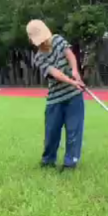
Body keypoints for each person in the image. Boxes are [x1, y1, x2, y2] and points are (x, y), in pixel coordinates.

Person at [26, 19, 86, 171]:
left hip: (74, 97)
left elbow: (70, 55)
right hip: (55, 98)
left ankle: (70, 163)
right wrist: (72, 82)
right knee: (51, 132)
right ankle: (48, 160)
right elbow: (56, 74)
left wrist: (75, 71)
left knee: (74, 131)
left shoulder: (58, 40)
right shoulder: (38, 58)